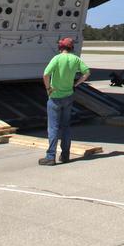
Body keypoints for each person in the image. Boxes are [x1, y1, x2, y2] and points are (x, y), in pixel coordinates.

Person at [41, 37, 90, 165]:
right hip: (68, 96)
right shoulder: (76, 59)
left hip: (55, 97)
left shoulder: (57, 58)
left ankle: (50, 156)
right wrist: (76, 84)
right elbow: (86, 73)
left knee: (53, 128)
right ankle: (65, 154)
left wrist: (48, 88)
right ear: (71, 48)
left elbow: (46, 74)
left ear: (60, 47)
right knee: (66, 126)